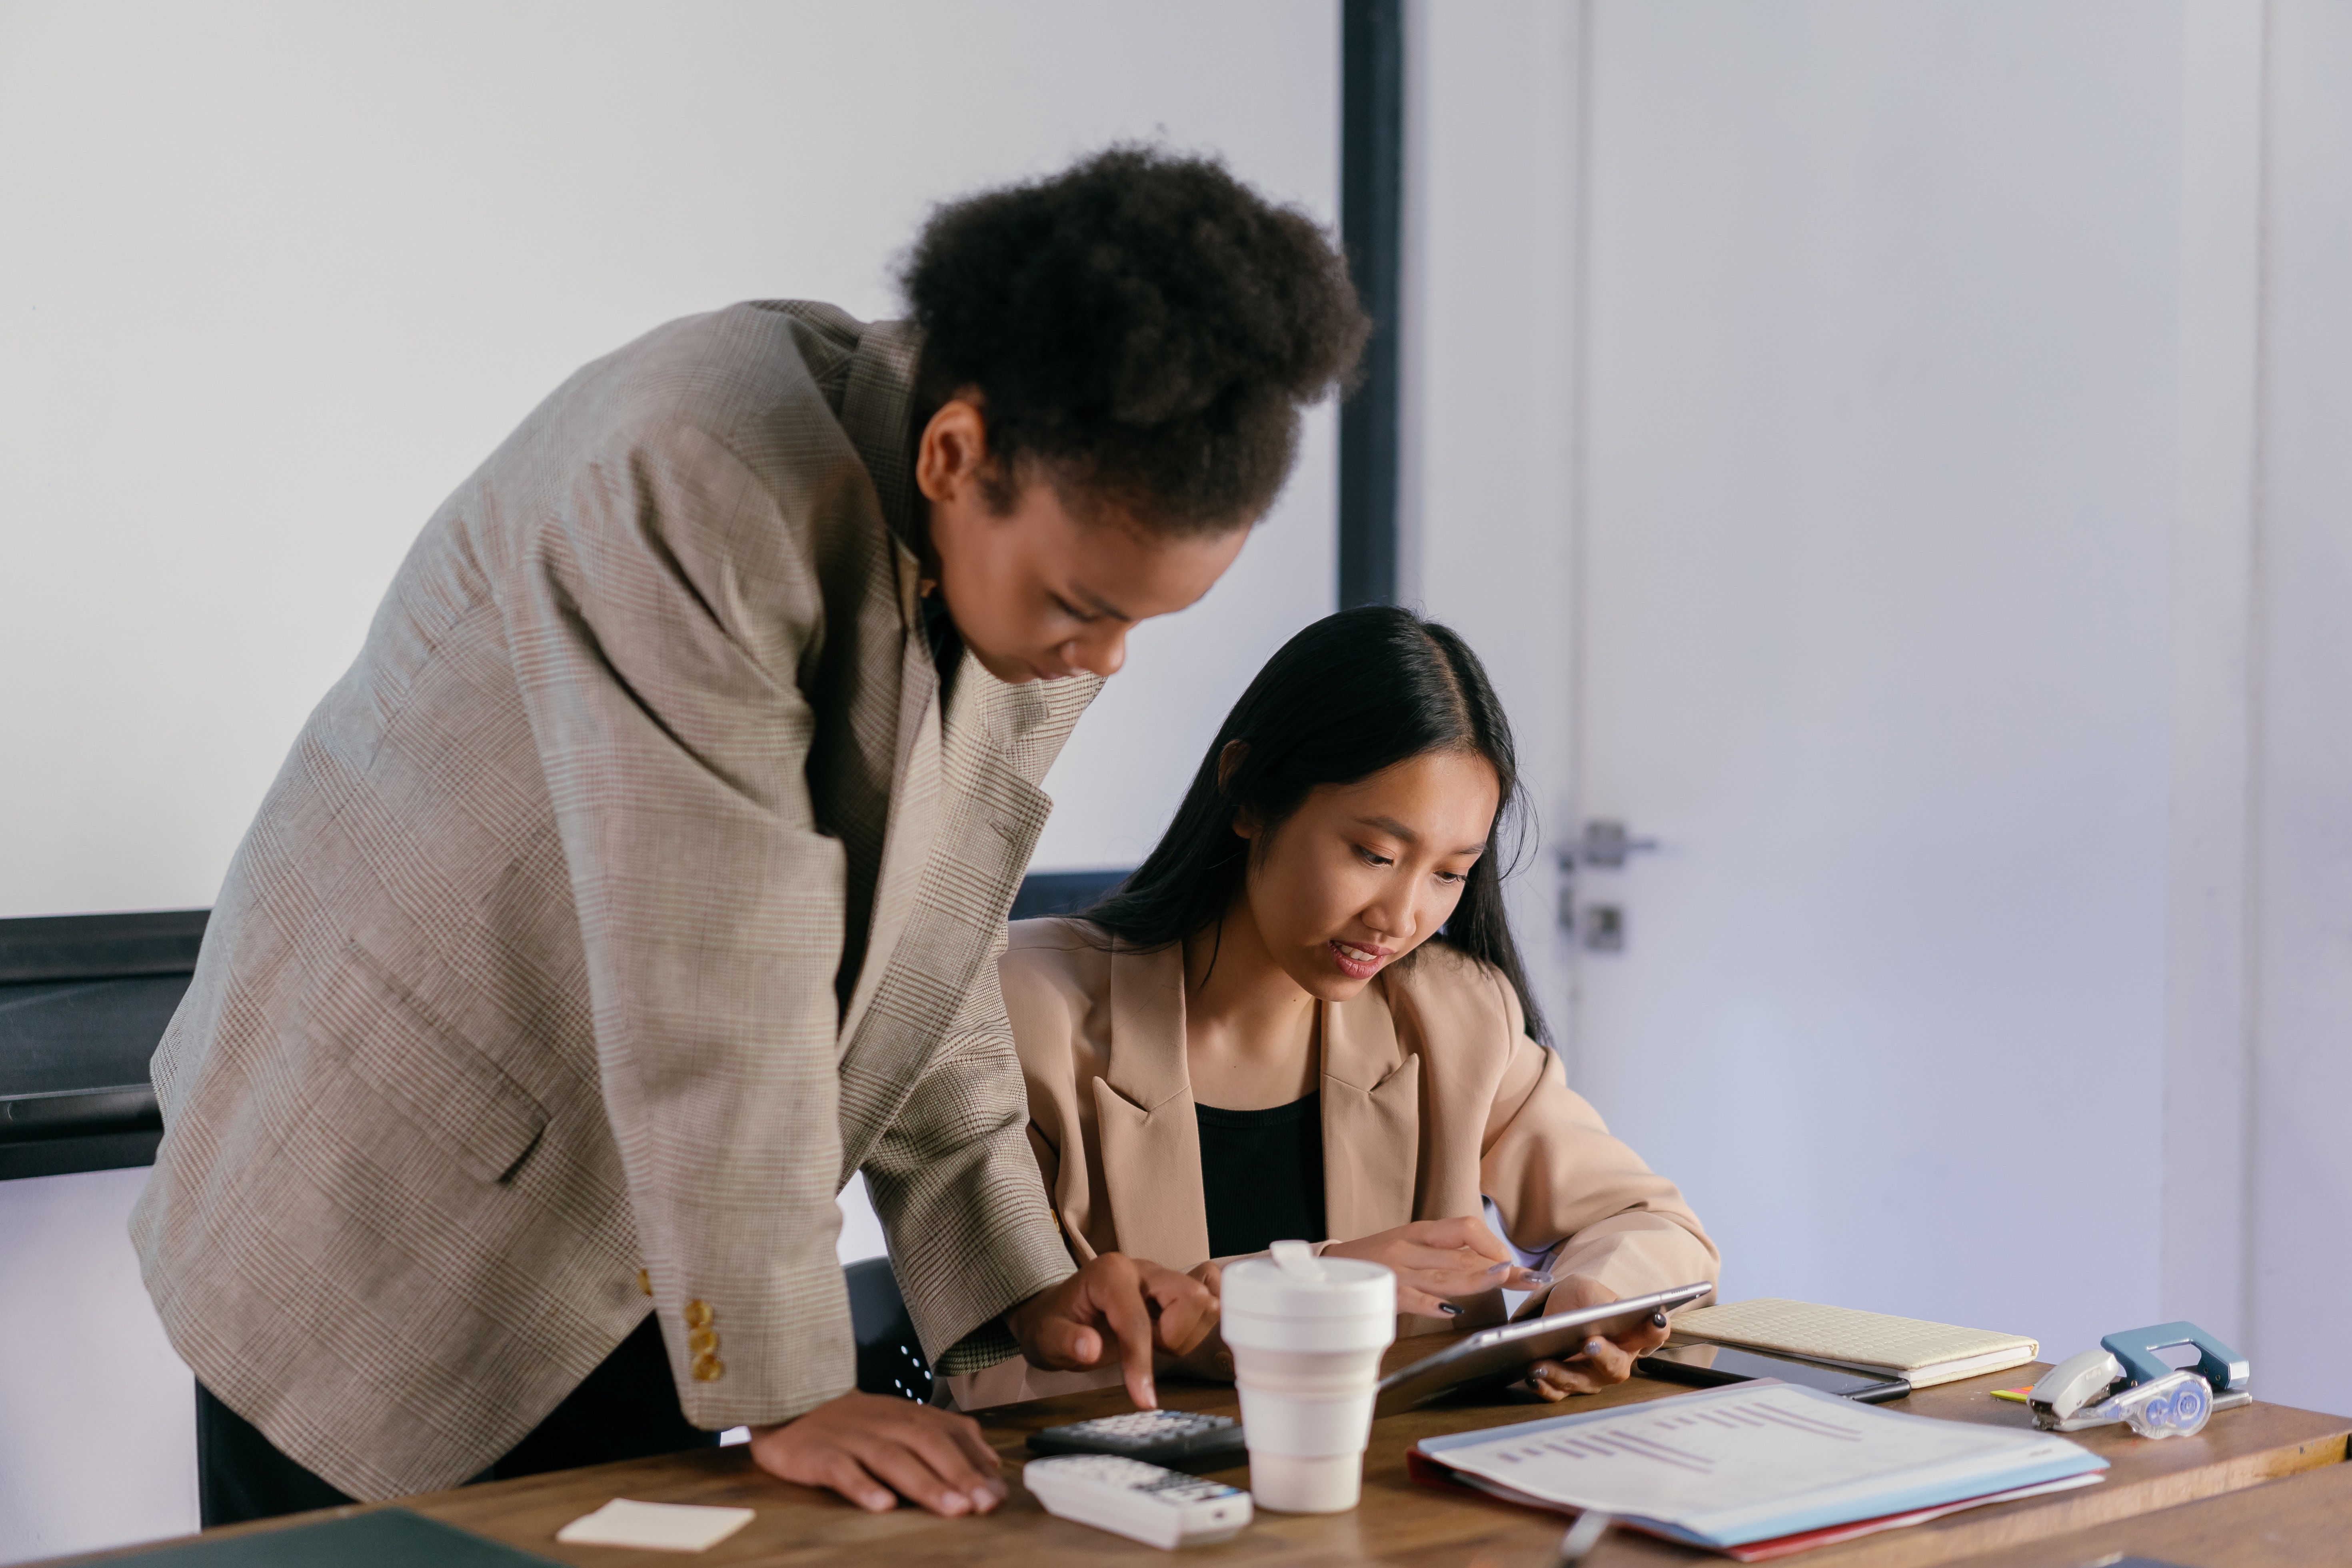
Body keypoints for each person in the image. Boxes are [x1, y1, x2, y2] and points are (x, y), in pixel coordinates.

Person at [131, 147, 1367, 1524]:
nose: (1108, 659)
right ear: (956, 453)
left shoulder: (1028, 570)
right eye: (1089, 606)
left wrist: (1020, 1277)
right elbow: (713, 965)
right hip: (383, 1220)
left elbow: (930, 947)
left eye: (1146, 622)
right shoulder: (687, 470)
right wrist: (789, 1381)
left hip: (657, 1237)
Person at [953, 606, 1718, 1410]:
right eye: (1375, 854)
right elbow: (1009, 1362)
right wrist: (1322, 1285)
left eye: (1449, 873)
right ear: (1248, 793)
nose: (1401, 915)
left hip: (1380, 1504)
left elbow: (1656, 1226)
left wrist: (1587, 1297)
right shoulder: (1019, 1007)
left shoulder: (1455, 1014)